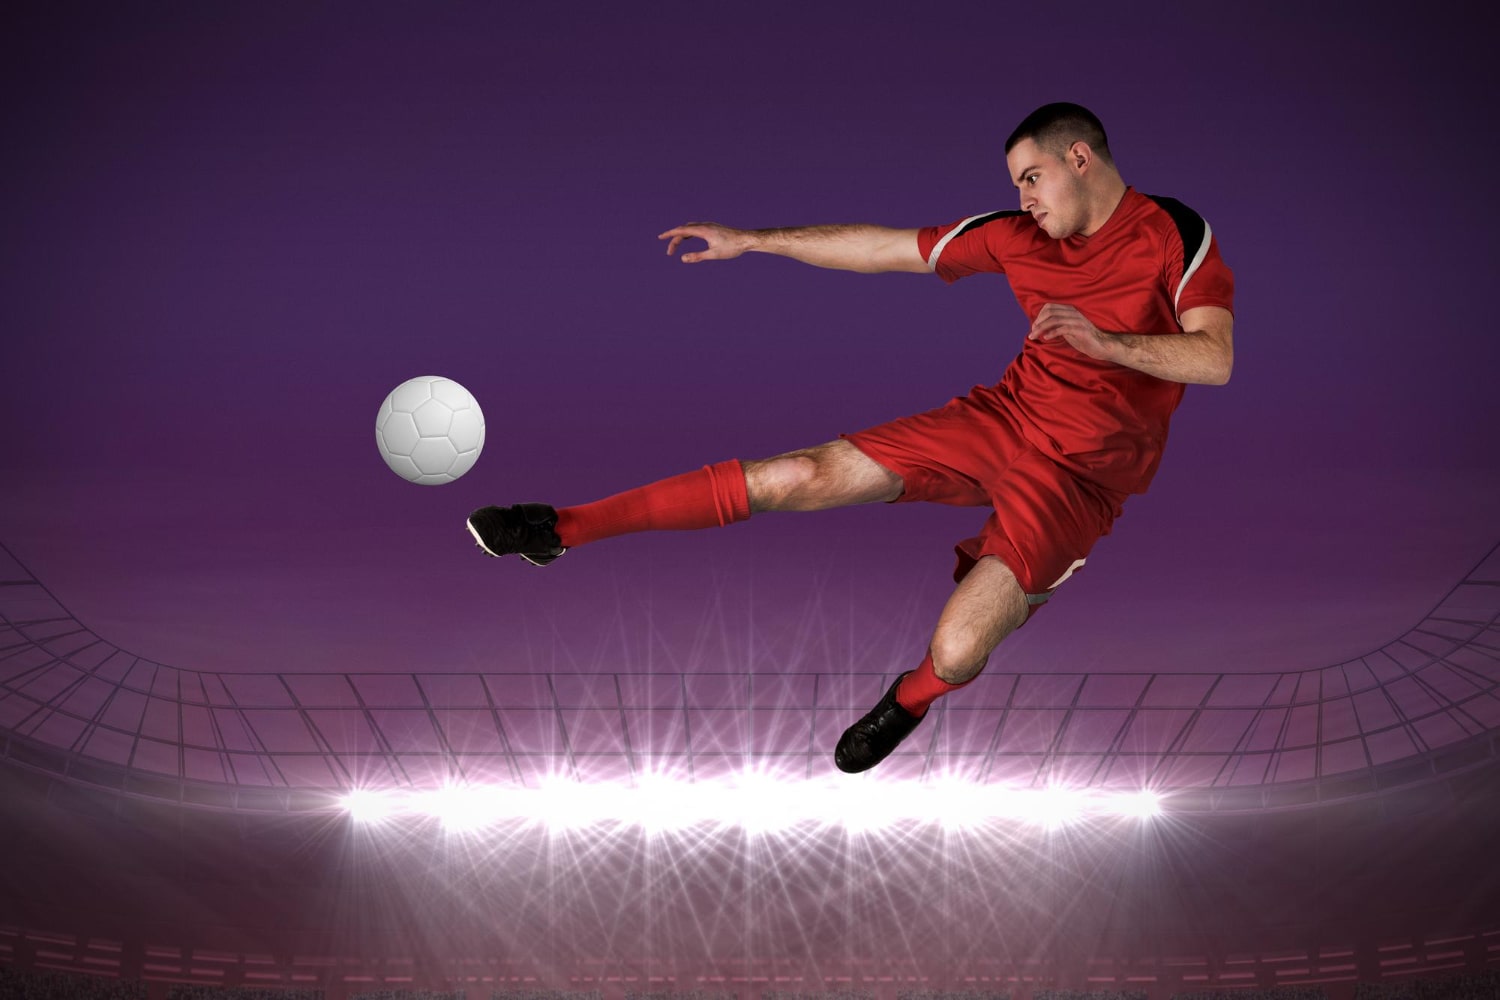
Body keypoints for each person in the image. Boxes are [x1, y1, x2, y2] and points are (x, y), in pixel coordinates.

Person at [466, 102, 1235, 773]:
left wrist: (1107, 345)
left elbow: (1215, 357)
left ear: (1080, 156)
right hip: (1000, 422)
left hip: (1080, 478)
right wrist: (754, 240)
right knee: (797, 474)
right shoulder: (1011, 236)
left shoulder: (1173, 232)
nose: (1023, 199)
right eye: (1015, 187)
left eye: (1031, 177)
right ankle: (558, 528)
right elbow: (882, 247)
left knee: (959, 649)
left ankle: (908, 700)